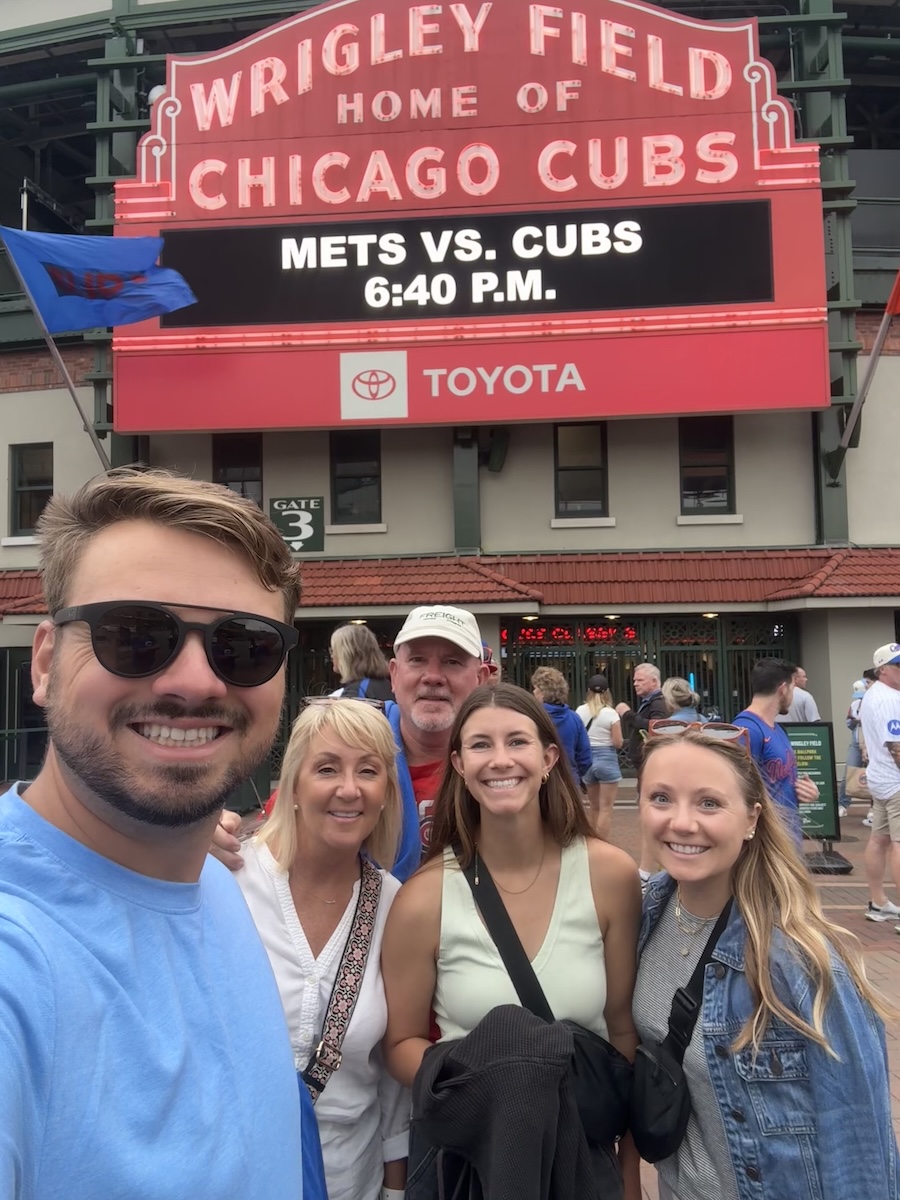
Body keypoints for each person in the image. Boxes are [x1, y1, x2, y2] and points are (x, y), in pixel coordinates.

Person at [0, 469, 323, 1199]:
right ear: (46, 661)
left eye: (243, 646)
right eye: (135, 636)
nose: (195, 681)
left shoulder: (213, 879)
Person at [381, 683, 642, 1199]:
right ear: (458, 764)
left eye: (517, 742)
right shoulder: (424, 898)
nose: (500, 760)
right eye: (481, 745)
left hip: (585, 1164)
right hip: (467, 1164)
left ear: (548, 758)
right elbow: (401, 1044)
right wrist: (493, 1083)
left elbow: (624, 1034)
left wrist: (629, 1179)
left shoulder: (609, 875)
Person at [634, 728, 899, 1200]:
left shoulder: (802, 963)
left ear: (752, 819)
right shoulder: (648, 910)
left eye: (709, 804)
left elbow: (860, 1150)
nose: (681, 822)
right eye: (660, 798)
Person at [238, 699, 409, 1200]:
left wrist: (394, 1191)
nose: (349, 789)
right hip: (233, 1172)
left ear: (385, 794)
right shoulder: (227, 881)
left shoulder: (395, 906)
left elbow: (391, 1078)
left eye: (369, 771)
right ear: (293, 785)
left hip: (347, 1181)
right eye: (327, 768)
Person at [216, 604, 491, 880]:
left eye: (452, 662)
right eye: (417, 660)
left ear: (481, 678)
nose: (432, 677)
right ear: (394, 675)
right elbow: (275, 828)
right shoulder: (343, 743)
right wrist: (218, 835)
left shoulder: (506, 765)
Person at [733, 658, 818, 846]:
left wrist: (806, 791)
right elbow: (736, 790)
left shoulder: (776, 729)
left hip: (788, 836)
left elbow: (776, 783)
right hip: (767, 844)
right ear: (783, 689)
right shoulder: (746, 730)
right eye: (793, 689)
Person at [617, 663, 669, 888]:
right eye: (635, 680)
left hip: (650, 766)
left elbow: (655, 727)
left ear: (654, 682)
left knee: (649, 817)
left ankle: (649, 871)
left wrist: (627, 714)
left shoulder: (658, 703)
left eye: (640, 680)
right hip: (643, 765)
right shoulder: (650, 702)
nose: (635, 683)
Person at [859, 643, 900, 926]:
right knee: (898, 843)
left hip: (880, 777)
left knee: (879, 838)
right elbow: (896, 745)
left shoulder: (873, 694)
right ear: (883, 669)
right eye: (898, 666)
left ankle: (878, 902)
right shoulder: (889, 699)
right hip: (895, 779)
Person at [576, 673, 623, 839]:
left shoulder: (580, 711)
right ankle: (602, 842)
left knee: (593, 807)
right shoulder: (611, 713)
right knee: (606, 808)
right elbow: (618, 743)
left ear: (588, 691)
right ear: (607, 692)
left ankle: (591, 841)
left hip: (588, 759)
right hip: (607, 759)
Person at [531, 665, 592, 786]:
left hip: (539, 780)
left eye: (536, 688)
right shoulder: (574, 718)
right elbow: (585, 758)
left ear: (543, 692)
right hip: (569, 780)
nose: (533, 692)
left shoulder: (532, 717)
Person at [329, 622, 395, 702]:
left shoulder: (354, 694)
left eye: (333, 650)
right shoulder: (390, 686)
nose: (332, 655)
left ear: (346, 655)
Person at [837, 676, 869, 817]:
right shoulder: (855, 704)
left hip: (871, 743)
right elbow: (849, 724)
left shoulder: (875, 702)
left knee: (873, 776)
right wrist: (854, 721)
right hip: (856, 741)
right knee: (848, 773)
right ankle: (842, 804)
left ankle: (874, 809)